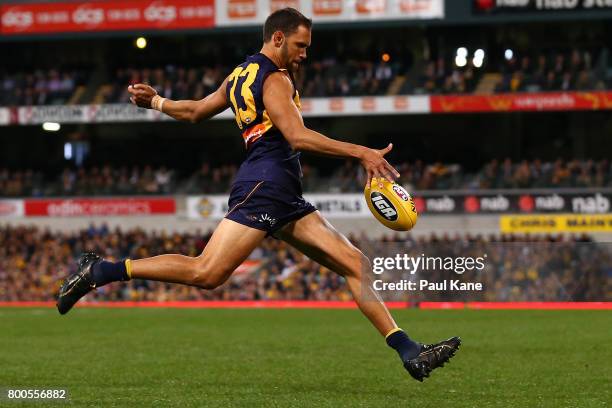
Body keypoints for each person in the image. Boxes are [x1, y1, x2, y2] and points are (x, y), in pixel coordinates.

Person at [57, 7, 459, 382]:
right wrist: (362, 153)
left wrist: (157, 101)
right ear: (278, 37)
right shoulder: (275, 78)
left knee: (356, 265)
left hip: (281, 192)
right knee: (206, 272)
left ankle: (408, 351)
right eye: (300, 46)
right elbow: (297, 136)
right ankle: (102, 271)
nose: (304, 55)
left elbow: (196, 111)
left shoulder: (240, 75)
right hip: (267, 185)